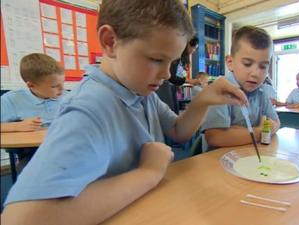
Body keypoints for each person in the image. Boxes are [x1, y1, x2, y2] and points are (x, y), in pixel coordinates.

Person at [1, 1, 248, 224]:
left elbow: (178, 131)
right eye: (155, 59)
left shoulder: (141, 92)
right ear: (110, 42)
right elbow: (20, 219)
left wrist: (202, 101)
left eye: (171, 62)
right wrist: (147, 173)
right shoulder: (90, 107)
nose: (166, 74)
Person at [202, 26, 280, 150]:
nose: (255, 73)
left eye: (263, 66)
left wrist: (238, 133)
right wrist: (261, 131)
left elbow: (276, 122)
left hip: (249, 156)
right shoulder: (220, 90)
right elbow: (215, 137)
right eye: (247, 64)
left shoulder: (261, 91)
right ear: (230, 62)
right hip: (218, 161)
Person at [1, 53, 65, 132]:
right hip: (34, 143)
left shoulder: (69, 96)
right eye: (54, 86)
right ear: (31, 85)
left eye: (63, 83)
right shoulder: (11, 99)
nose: (62, 89)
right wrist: (16, 126)